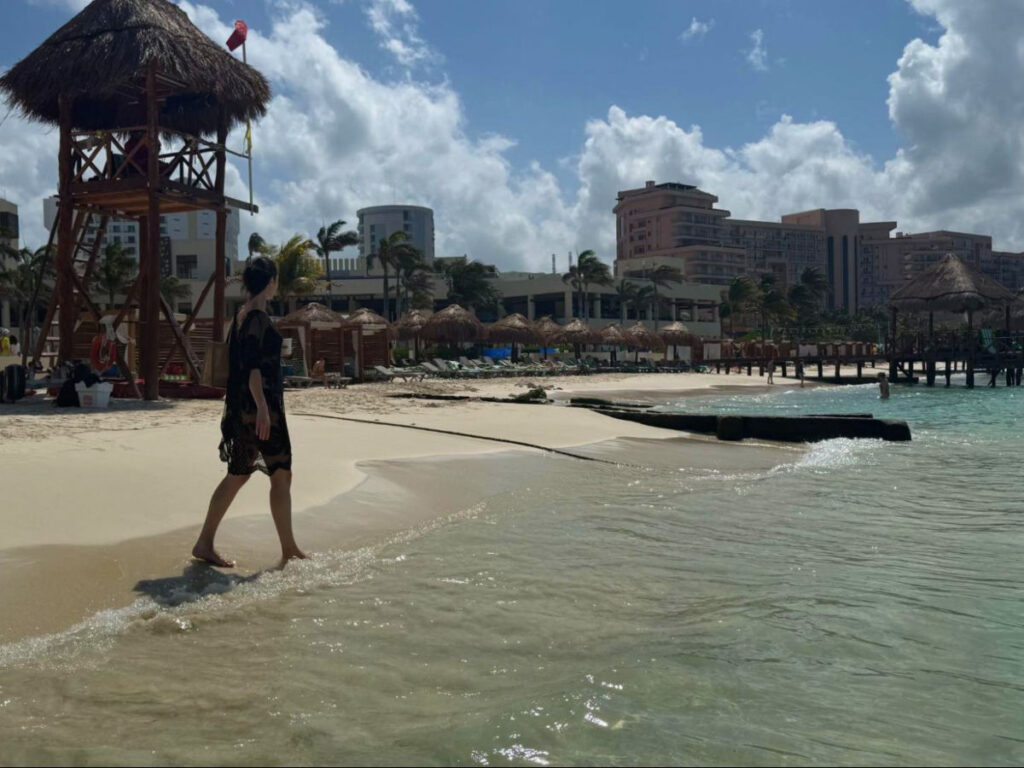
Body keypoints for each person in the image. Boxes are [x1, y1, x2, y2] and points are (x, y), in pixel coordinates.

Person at [192, 257, 306, 569]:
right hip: (259, 409)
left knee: (238, 475)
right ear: (270, 281)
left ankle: (205, 542)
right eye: (276, 279)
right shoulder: (256, 318)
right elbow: (254, 369)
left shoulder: (242, 316)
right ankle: (289, 549)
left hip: (242, 408)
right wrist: (263, 411)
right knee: (281, 475)